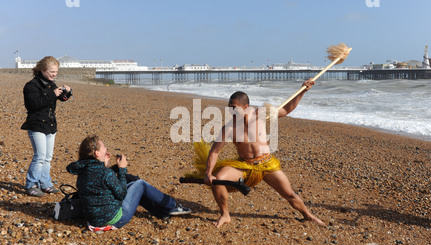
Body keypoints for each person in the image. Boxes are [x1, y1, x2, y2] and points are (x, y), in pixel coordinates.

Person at [186, 79, 325, 228]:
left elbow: (286, 109)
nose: (230, 112)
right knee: (218, 180)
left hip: (266, 163)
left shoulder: (260, 115)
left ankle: (308, 215)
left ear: (246, 107)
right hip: (244, 165)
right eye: (229, 108)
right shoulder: (229, 128)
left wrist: (303, 90)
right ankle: (225, 215)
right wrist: (208, 173)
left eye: (234, 108)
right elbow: (215, 152)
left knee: (289, 194)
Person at [66, 135, 192, 229]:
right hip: (113, 219)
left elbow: (100, 183)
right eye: (103, 146)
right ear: (97, 153)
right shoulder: (105, 173)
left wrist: (108, 165)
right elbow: (121, 194)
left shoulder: (83, 171)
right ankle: (171, 205)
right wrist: (121, 169)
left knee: (134, 186)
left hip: (94, 220)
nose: (106, 148)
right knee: (140, 184)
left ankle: (162, 212)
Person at [21, 56, 73, 197]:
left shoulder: (52, 84)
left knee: (48, 157)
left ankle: (45, 184)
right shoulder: (31, 86)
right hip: (36, 125)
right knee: (40, 156)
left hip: (50, 125)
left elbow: (61, 99)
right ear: (42, 70)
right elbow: (33, 105)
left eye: (56, 72)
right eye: (51, 72)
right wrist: (52, 94)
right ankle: (31, 185)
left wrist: (67, 93)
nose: (54, 74)